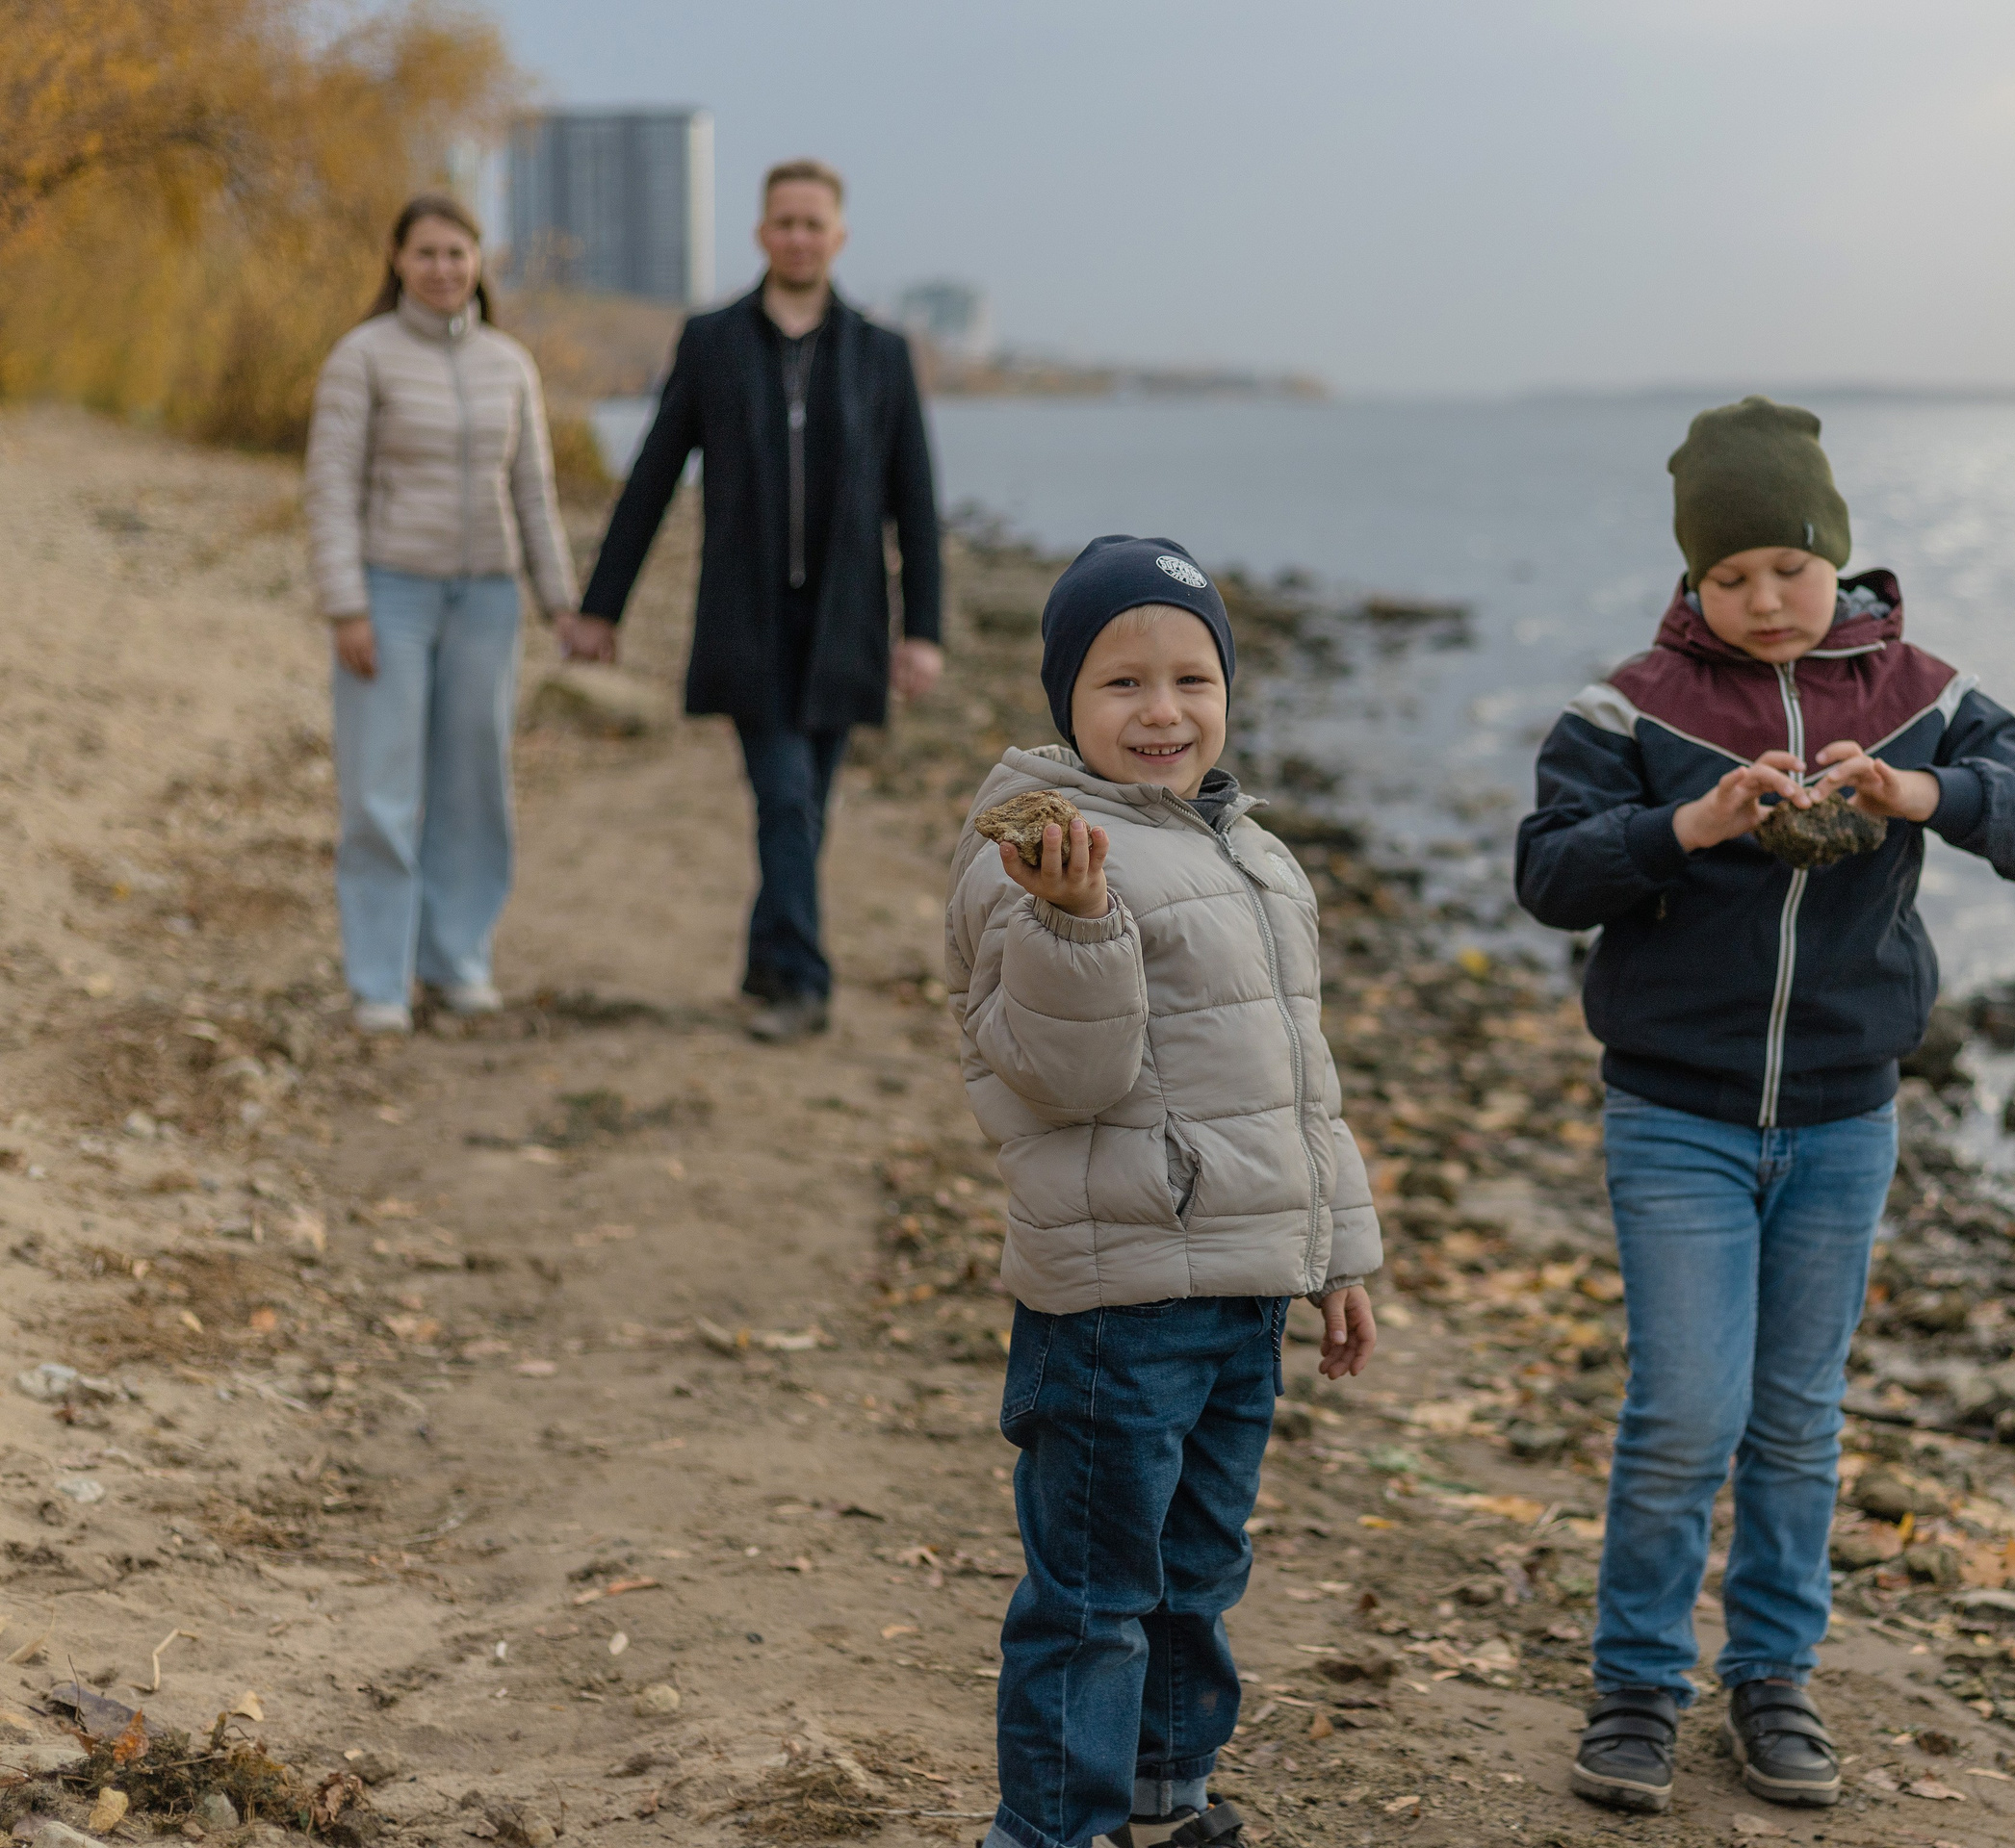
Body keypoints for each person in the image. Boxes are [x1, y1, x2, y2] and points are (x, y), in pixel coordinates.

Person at [1514, 398, 2015, 1813]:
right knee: (1684, 1414)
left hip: (1845, 1115)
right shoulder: (1632, 705)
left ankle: (1772, 1682)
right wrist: (1687, 825)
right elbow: (1549, 877)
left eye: (1788, 565)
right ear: (1692, 584)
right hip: (1677, 1115)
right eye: (1729, 577)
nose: (1764, 600)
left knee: (1795, 1419)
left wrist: (1920, 791)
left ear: (1835, 554)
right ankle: (1637, 1690)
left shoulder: (1927, 693)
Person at [945, 537, 1383, 1848]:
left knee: (1197, 1572)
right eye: (1121, 682)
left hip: (1245, 1290)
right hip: (1116, 1302)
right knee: (1092, 1593)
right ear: (1066, 705)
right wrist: (1075, 927)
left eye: (1192, 678)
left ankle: (1164, 1788)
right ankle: (1056, 1827)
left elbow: (1298, 1084)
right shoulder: (1029, 860)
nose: (1161, 710)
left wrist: (1336, 1253)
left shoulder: (1253, 853)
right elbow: (1066, 1078)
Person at [573, 158, 943, 1041]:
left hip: (845, 623)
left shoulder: (881, 354)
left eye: (814, 224)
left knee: (806, 803)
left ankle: (766, 958)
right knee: (784, 797)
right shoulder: (712, 342)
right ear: (760, 232)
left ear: (838, 237)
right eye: (784, 222)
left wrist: (922, 631)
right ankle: (804, 986)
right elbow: (653, 479)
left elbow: (917, 503)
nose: (799, 237)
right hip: (747, 620)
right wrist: (601, 607)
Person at [304, 193, 579, 1035]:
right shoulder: (363, 357)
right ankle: (379, 980)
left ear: (478, 262)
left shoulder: (509, 363)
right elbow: (330, 488)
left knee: (473, 787)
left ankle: (457, 960)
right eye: (425, 253)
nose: (442, 269)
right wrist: (345, 604)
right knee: (381, 790)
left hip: (487, 599)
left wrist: (561, 600)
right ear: (396, 260)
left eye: (457, 254)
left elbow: (532, 489)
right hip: (392, 593)